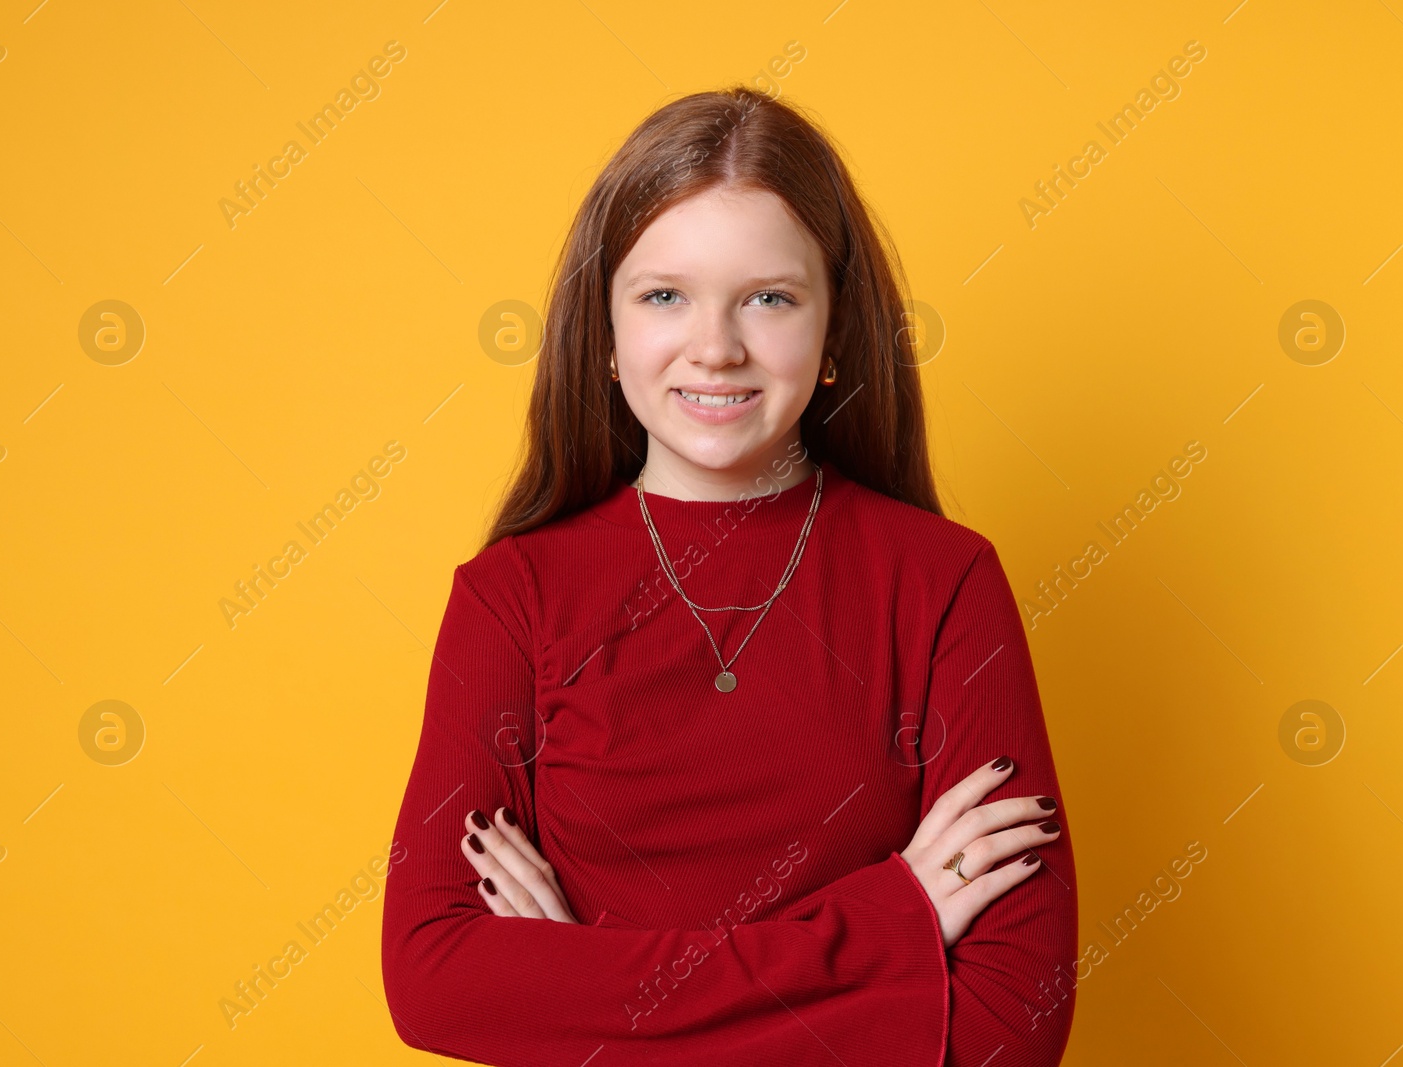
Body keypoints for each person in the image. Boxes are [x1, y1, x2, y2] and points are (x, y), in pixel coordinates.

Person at [381, 85, 1077, 1066]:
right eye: (664, 294)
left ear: (834, 327)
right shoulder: (512, 595)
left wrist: (577, 977)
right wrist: (891, 922)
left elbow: (1011, 1029)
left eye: (770, 297)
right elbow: (435, 985)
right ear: (607, 332)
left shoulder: (942, 580)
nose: (715, 345)